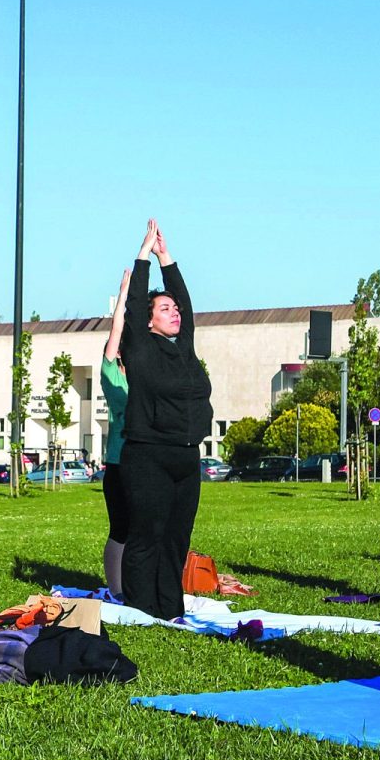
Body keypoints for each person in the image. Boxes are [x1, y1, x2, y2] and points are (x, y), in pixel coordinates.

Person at [119, 219, 213, 620]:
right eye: (164, 308)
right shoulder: (140, 346)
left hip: (186, 457)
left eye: (173, 308)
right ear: (148, 319)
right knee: (148, 536)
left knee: (176, 538)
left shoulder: (185, 348)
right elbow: (135, 301)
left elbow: (187, 303)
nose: (174, 312)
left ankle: (169, 608)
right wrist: (144, 257)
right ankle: (141, 610)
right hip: (148, 455)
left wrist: (167, 259)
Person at [99, 268, 132, 599]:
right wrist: (123, 297)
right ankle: (117, 589)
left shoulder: (144, 377)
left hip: (145, 462)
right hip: (119, 463)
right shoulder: (112, 376)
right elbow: (116, 332)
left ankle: (138, 582)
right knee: (120, 529)